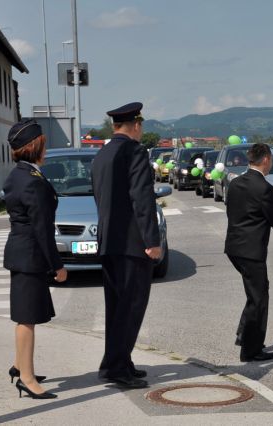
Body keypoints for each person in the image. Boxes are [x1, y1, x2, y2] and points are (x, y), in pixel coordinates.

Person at [91, 102, 161, 389]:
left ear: (113, 127)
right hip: (132, 244)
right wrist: (152, 241)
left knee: (116, 307)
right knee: (131, 308)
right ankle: (117, 368)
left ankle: (118, 361)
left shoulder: (103, 154)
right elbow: (142, 199)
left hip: (109, 241)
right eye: (141, 125)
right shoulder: (134, 152)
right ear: (135, 125)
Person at [3, 119, 68, 399]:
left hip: (22, 253)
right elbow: (42, 230)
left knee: (25, 314)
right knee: (26, 318)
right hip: (30, 256)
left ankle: (20, 366)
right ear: (34, 146)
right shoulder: (31, 181)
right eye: (43, 143)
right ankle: (26, 379)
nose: (45, 147)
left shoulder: (19, 174)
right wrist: (58, 265)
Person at [225, 143, 273, 362]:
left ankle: (243, 335)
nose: (271, 162)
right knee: (259, 298)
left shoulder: (235, 183)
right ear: (265, 159)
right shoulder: (263, 187)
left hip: (234, 247)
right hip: (252, 250)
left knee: (254, 294)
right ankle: (250, 350)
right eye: (271, 159)